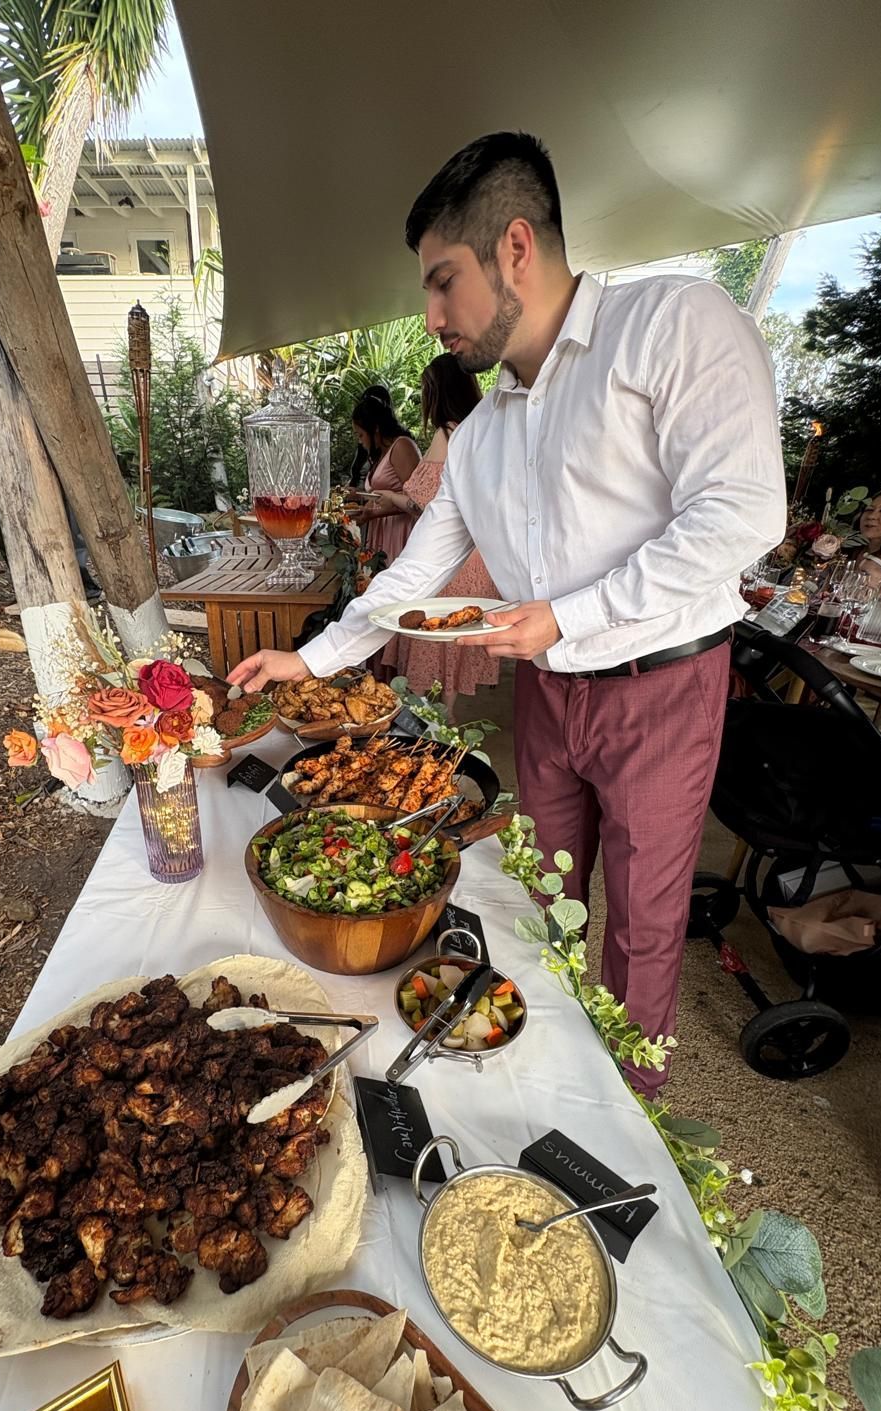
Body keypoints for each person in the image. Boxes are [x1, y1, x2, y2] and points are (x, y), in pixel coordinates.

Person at [229, 131, 786, 1091]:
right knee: (542, 896)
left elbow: (743, 513)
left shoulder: (671, 323)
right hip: (548, 695)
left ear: (516, 248)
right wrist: (312, 661)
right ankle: (546, 1078)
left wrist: (566, 615)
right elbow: (413, 583)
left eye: (444, 281)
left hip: (663, 687)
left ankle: (632, 1114)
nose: (432, 313)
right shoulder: (482, 431)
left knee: (644, 927)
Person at [374, 352, 501, 703]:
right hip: (480, 558)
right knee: (457, 639)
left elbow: (429, 503)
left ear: (436, 392)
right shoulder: (485, 429)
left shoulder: (448, 433)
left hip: (451, 555)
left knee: (431, 633)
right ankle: (446, 712)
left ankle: (433, 719)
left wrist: (390, 497)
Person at [345, 392, 421, 571]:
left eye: (361, 435)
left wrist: (374, 514)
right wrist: (360, 496)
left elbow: (416, 499)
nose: (360, 441)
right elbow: (381, 495)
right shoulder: (380, 453)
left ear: (376, 429)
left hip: (399, 531)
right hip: (380, 530)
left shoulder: (402, 446)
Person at [347, 384, 394, 488]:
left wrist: (360, 495)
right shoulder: (370, 447)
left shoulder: (399, 446)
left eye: (361, 435)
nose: (360, 440)